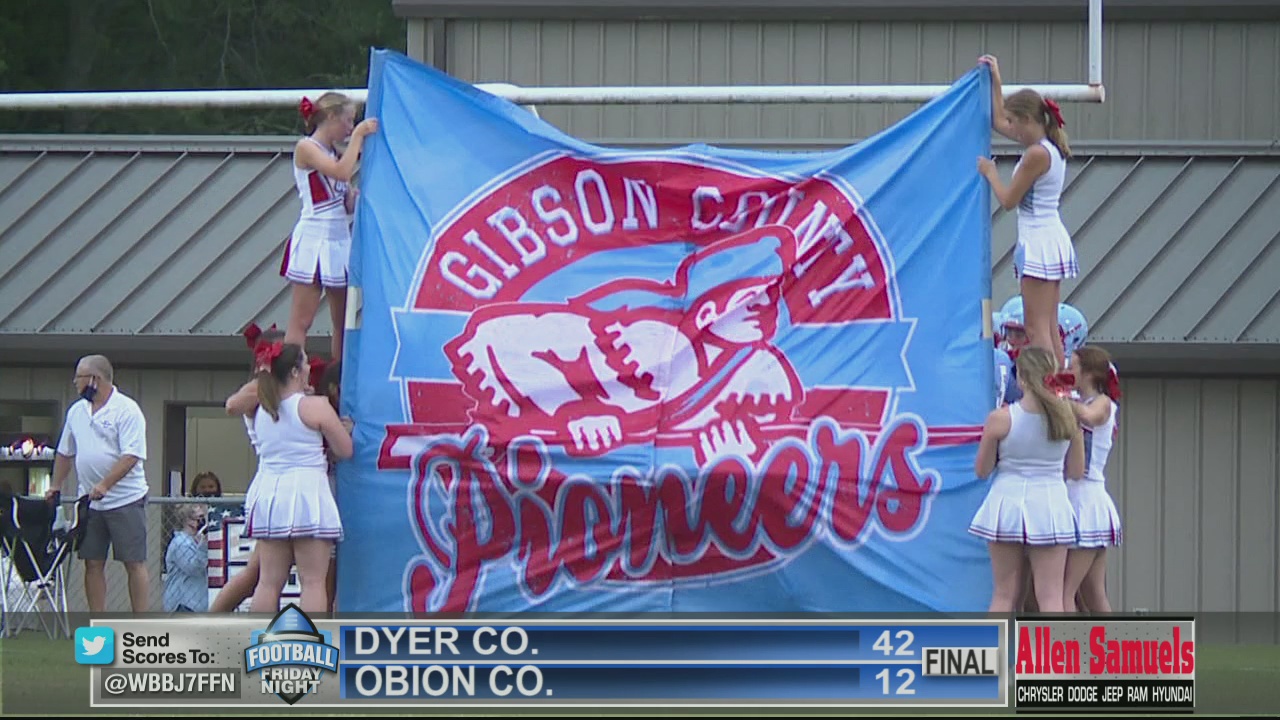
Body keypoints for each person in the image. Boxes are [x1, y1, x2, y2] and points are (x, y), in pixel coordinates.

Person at [978, 54, 1077, 372]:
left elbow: (1008, 200)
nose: (1013, 130)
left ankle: (1050, 386)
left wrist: (990, 173)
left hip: (1038, 240)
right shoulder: (1050, 147)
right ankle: (1059, 383)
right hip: (1049, 235)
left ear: (1029, 120)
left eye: (1016, 123)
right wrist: (996, 79)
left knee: (1036, 329)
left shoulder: (1036, 154)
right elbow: (999, 120)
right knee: (1049, 325)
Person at [969, 346, 1084, 613]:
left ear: (1021, 378)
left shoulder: (1000, 419)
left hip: (1006, 503)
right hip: (1050, 505)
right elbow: (1076, 472)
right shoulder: (1069, 417)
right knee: (1051, 598)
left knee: (1004, 595)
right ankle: (1053, 645)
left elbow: (982, 471)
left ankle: (996, 643)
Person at [239, 341, 351, 613]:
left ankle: (259, 637)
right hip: (307, 495)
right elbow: (345, 450)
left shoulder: (260, 409)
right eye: (305, 363)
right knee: (312, 582)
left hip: (270, 496)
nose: (310, 367)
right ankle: (310, 640)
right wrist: (346, 430)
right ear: (294, 371)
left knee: (268, 582)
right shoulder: (315, 406)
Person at [47, 354, 151, 612]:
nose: (75, 383)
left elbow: (131, 455)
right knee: (92, 562)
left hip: (126, 500)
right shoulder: (76, 412)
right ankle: (98, 622)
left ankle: (141, 621)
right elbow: (65, 452)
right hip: (90, 503)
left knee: (133, 562)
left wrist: (106, 484)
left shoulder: (127, 410)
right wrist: (55, 485)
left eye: (79, 378)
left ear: (94, 379)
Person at [279, 92, 378, 362]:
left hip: (338, 238)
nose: (349, 128)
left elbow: (343, 198)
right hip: (314, 237)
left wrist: (353, 199)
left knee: (343, 321)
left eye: (353, 123)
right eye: (347, 121)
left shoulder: (335, 153)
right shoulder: (306, 147)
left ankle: (339, 376)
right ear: (331, 117)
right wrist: (359, 136)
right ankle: (289, 376)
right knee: (302, 320)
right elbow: (340, 172)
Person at [1063, 346, 1123, 613]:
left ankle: (1067, 641)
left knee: (1065, 592)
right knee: (1092, 593)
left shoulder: (1102, 403)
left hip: (1086, 497)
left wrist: (1058, 398)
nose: (1068, 372)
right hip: (1079, 494)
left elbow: (1089, 417)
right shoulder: (1080, 401)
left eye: (1073, 366)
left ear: (1088, 373)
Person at [163, 503, 209, 613]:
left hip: (199, 603)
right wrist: (204, 546)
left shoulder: (196, 540)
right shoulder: (181, 542)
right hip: (183, 604)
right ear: (189, 521)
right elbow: (194, 568)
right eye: (200, 518)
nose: (203, 522)